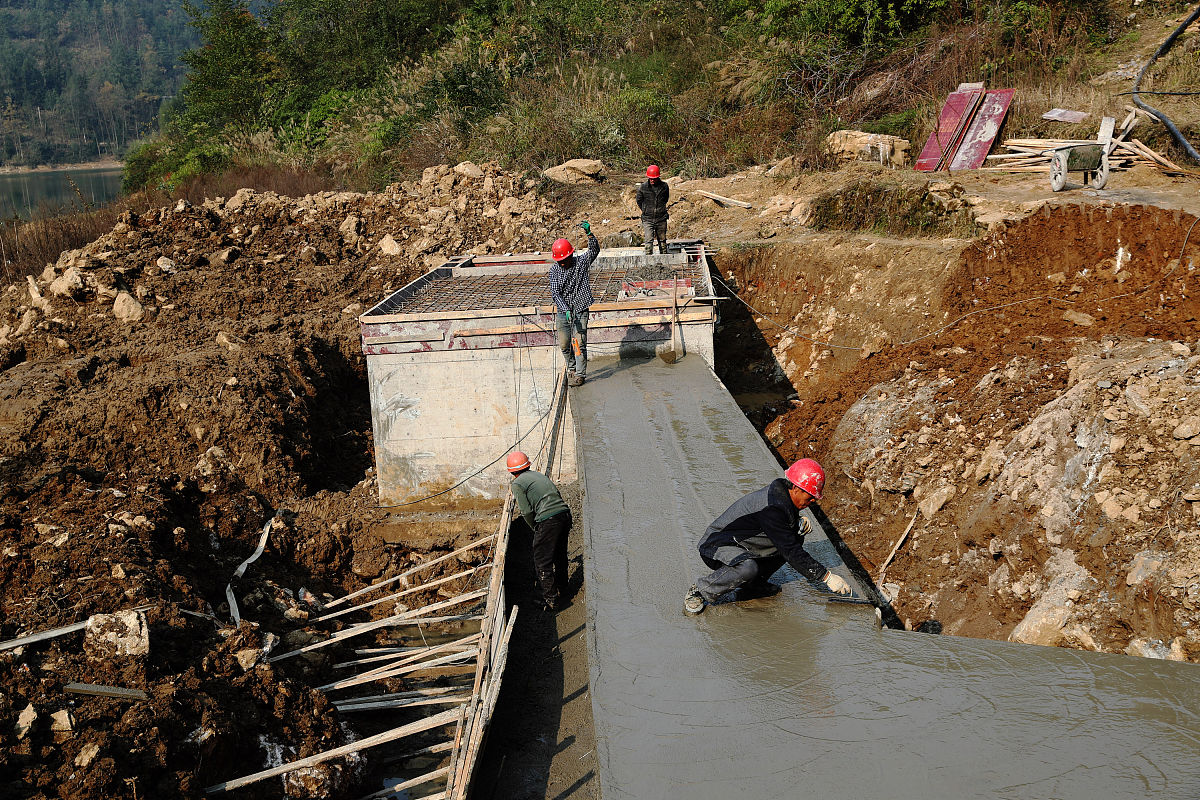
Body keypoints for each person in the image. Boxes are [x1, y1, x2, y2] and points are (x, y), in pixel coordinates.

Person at [684, 458, 851, 615]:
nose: (811, 502)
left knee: (796, 537)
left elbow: (780, 530)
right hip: (717, 545)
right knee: (748, 567)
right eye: (809, 498)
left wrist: (796, 521)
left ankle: (752, 586)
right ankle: (701, 590)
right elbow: (790, 551)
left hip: (743, 543)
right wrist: (826, 577)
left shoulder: (782, 496)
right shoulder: (772, 508)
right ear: (797, 489)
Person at [507, 450, 573, 612]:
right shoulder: (538, 476)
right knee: (559, 554)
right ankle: (564, 589)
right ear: (527, 465)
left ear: (512, 471)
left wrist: (535, 528)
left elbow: (527, 511)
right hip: (564, 515)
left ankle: (550, 600)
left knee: (542, 560)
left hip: (548, 519)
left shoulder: (517, 484)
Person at [549, 221, 600, 387]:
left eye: (565, 260)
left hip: (580, 308)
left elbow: (594, 251)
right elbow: (555, 293)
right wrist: (565, 309)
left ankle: (579, 375)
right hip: (564, 312)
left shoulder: (580, 263)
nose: (563, 263)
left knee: (578, 343)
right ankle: (571, 367)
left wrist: (589, 234)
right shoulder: (554, 271)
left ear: (570, 255)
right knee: (564, 344)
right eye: (560, 261)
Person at [636, 164, 669, 255]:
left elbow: (665, 199)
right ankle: (648, 261)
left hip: (661, 218)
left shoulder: (664, 186)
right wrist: (645, 209)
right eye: (650, 178)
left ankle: (664, 257)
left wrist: (660, 209)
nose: (652, 180)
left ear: (658, 177)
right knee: (648, 240)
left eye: (654, 179)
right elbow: (639, 200)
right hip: (648, 218)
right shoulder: (643, 187)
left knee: (662, 240)